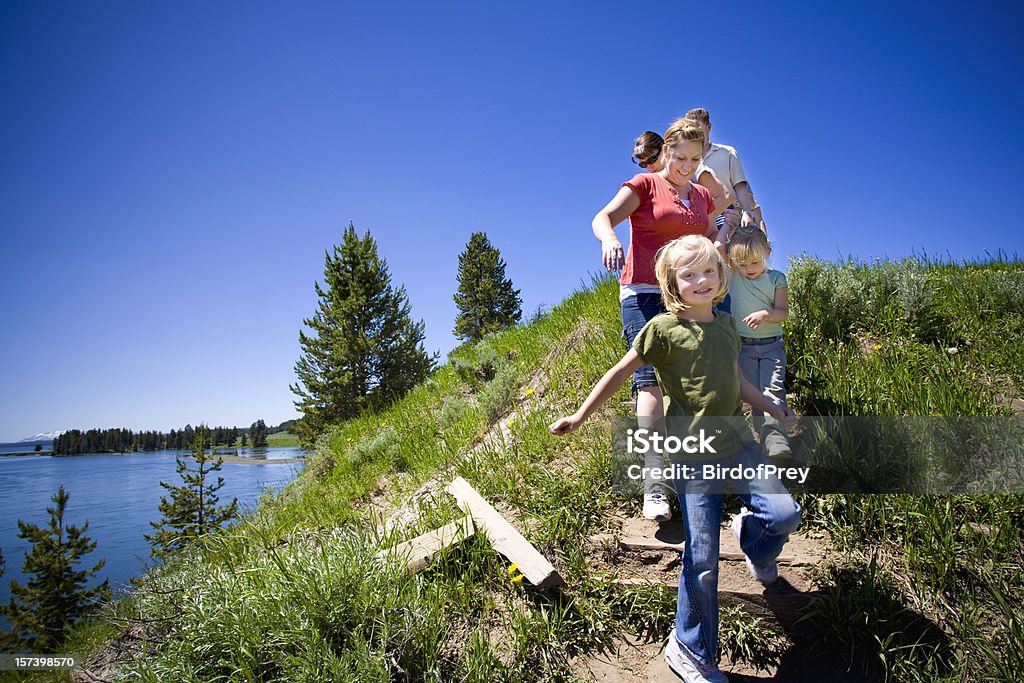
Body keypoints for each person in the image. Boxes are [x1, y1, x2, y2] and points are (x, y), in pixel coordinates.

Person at [549, 235, 801, 683]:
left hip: (738, 442)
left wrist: (772, 406)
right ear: (672, 283)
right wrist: (581, 415)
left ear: (721, 276)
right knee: (701, 557)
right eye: (689, 275)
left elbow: (736, 381)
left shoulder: (726, 326)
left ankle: (754, 541)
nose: (701, 280)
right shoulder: (663, 329)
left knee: (783, 512)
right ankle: (690, 649)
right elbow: (620, 373)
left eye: (708, 271)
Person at [594, 121, 722, 521]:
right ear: (664, 152)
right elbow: (603, 217)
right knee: (647, 378)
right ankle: (654, 482)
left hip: (687, 298)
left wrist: (719, 254)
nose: (686, 166)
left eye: (695, 159)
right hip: (645, 293)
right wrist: (610, 239)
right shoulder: (644, 186)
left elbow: (712, 235)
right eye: (679, 157)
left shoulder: (701, 194)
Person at [727, 229, 791, 459]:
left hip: (772, 345)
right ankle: (764, 438)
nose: (749, 268)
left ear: (768, 252)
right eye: (742, 263)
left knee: (773, 389)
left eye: (755, 261)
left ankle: (776, 436)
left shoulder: (776, 278)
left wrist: (766, 314)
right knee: (754, 396)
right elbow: (717, 252)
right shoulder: (733, 276)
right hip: (743, 346)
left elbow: (782, 313)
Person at [683, 107, 766, 236]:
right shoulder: (686, 160)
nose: (696, 134)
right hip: (701, 219)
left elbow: (740, 186)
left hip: (729, 214)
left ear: (709, 127)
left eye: (699, 128)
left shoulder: (727, 153)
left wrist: (747, 213)